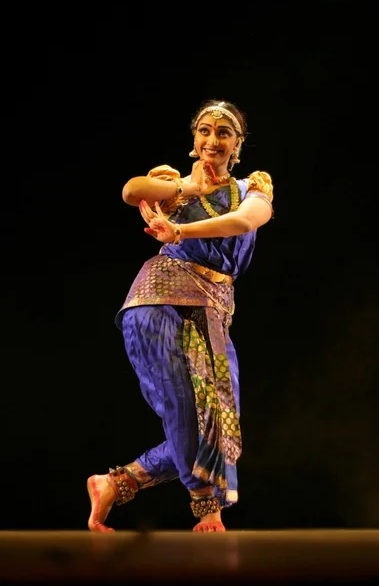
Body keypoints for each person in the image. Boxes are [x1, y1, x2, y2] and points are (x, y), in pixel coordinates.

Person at [87, 99, 274, 533]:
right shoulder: (172, 183)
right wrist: (187, 190)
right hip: (160, 299)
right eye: (204, 131)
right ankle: (207, 506)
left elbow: (245, 222)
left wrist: (182, 230)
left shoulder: (253, 189)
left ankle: (115, 484)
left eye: (223, 133)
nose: (213, 140)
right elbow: (131, 192)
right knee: (186, 410)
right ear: (194, 140)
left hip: (212, 308)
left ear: (237, 144)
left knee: (222, 426)